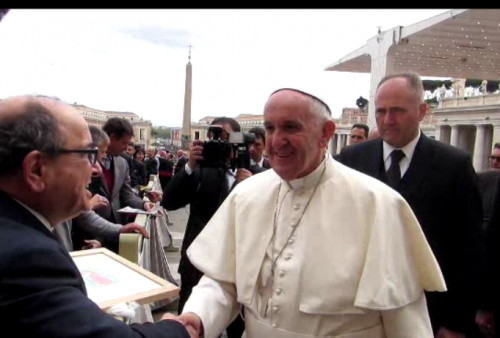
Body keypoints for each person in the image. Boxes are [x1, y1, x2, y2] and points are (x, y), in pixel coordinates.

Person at [171, 88, 446, 338]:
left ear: (326, 133)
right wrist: (199, 317)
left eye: (291, 127)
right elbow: (224, 281)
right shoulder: (247, 195)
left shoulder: (379, 204)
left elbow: (404, 315)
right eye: (270, 128)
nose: (276, 141)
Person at [0, 95, 192, 338]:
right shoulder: (27, 258)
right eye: (86, 154)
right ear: (37, 169)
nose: (96, 169)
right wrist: (175, 328)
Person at [335, 72, 483, 337]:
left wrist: (455, 323)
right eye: (380, 111)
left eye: (398, 111)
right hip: (359, 314)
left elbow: (467, 250)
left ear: (422, 111)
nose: (387, 120)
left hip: (429, 313)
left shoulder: (454, 165)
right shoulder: (351, 159)